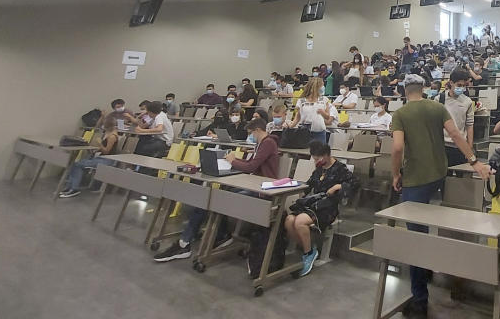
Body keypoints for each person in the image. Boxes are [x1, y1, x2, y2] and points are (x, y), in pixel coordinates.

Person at [390, 74, 491, 316]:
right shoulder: (437, 107)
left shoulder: (401, 114)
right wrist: (475, 161)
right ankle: (427, 269)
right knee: (430, 227)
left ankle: (420, 299)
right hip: (438, 172)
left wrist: (395, 174)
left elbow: (397, 147)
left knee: (416, 236)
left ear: (405, 90)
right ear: (424, 88)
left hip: (416, 178)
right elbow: (456, 135)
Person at [154, 119, 276, 263]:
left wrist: (233, 161)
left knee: (213, 199)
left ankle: (186, 243)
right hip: (251, 184)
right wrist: (234, 159)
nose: (251, 136)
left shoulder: (268, 143)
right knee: (209, 197)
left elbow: (251, 167)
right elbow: (250, 164)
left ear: (257, 130)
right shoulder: (261, 143)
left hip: (262, 189)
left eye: (251, 133)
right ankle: (214, 236)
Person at [284, 141, 360, 277]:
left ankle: (308, 254)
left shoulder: (340, 169)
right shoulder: (319, 168)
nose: (316, 161)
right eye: (314, 158)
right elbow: (309, 185)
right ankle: (308, 249)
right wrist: (294, 187)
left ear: (326, 155)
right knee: (289, 220)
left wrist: (337, 187)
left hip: (328, 208)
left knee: (299, 221)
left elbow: (355, 184)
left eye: (317, 158)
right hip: (314, 204)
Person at [59, 115, 120, 197]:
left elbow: (106, 151)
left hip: (107, 160)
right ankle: (70, 186)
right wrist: (97, 149)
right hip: (101, 157)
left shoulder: (112, 136)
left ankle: (74, 188)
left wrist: (99, 144)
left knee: (77, 165)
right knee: (76, 163)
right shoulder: (107, 133)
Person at [441, 69, 475, 167]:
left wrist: (469, 147)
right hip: (442, 146)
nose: (462, 88)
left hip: (460, 146)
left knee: (461, 178)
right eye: (459, 85)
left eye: (464, 86)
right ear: (451, 83)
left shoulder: (467, 101)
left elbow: (469, 125)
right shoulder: (439, 99)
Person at [288, 78, 337, 144]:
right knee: (304, 152)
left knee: (319, 152)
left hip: (319, 130)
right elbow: (297, 117)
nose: (323, 88)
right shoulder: (301, 101)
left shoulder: (324, 100)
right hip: (304, 130)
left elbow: (328, 117)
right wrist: (290, 126)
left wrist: (323, 113)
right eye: (322, 86)